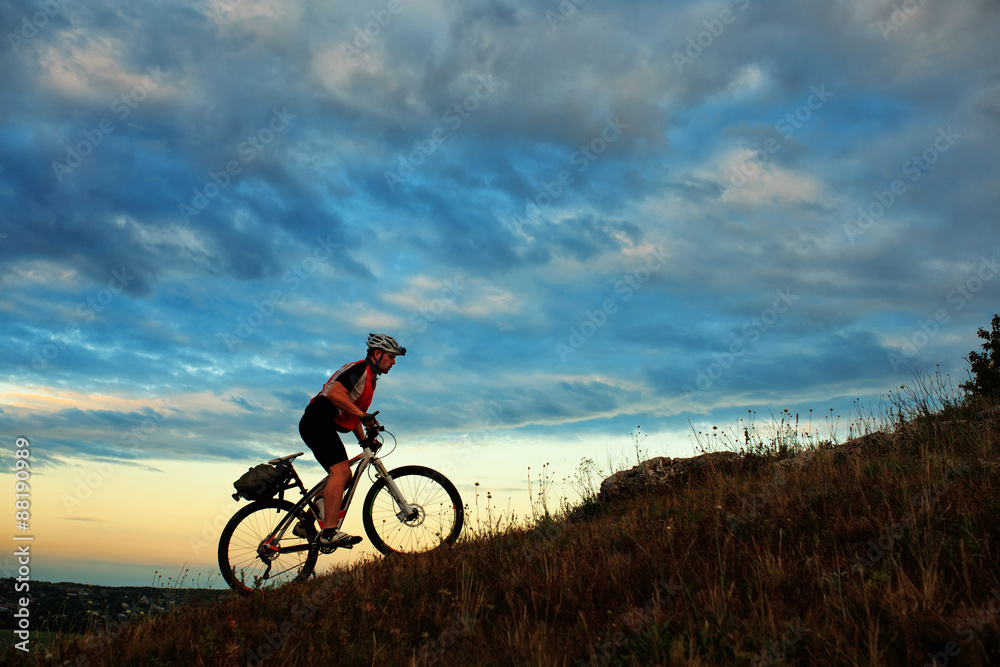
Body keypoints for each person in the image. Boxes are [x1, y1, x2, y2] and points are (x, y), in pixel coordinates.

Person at [297, 333, 406, 546]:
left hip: (322, 424)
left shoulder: (371, 380)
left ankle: (307, 521)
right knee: (341, 471)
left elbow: (354, 414)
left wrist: (365, 440)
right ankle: (329, 533)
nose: (393, 362)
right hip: (316, 421)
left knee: (344, 478)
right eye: (391, 357)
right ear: (377, 353)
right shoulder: (359, 370)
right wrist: (362, 415)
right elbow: (335, 395)